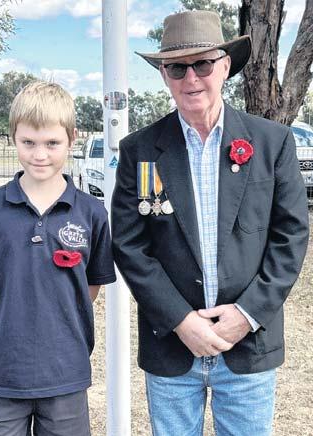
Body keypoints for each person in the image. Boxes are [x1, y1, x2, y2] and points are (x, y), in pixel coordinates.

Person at [111, 10, 309, 436]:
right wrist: (181, 320)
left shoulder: (272, 143)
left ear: (224, 66)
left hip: (248, 345)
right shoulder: (140, 151)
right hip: (172, 346)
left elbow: (290, 236)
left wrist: (246, 314)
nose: (191, 79)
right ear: (164, 75)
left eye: (202, 64)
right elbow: (129, 246)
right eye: (177, 68)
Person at [0, 81, 116, 436]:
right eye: (28, 142)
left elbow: (89, 287)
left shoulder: (92, 213)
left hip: (65, 371)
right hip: (2, 372)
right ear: (14, 138)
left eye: (52, 143)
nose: (40, 154)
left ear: (72, 138)